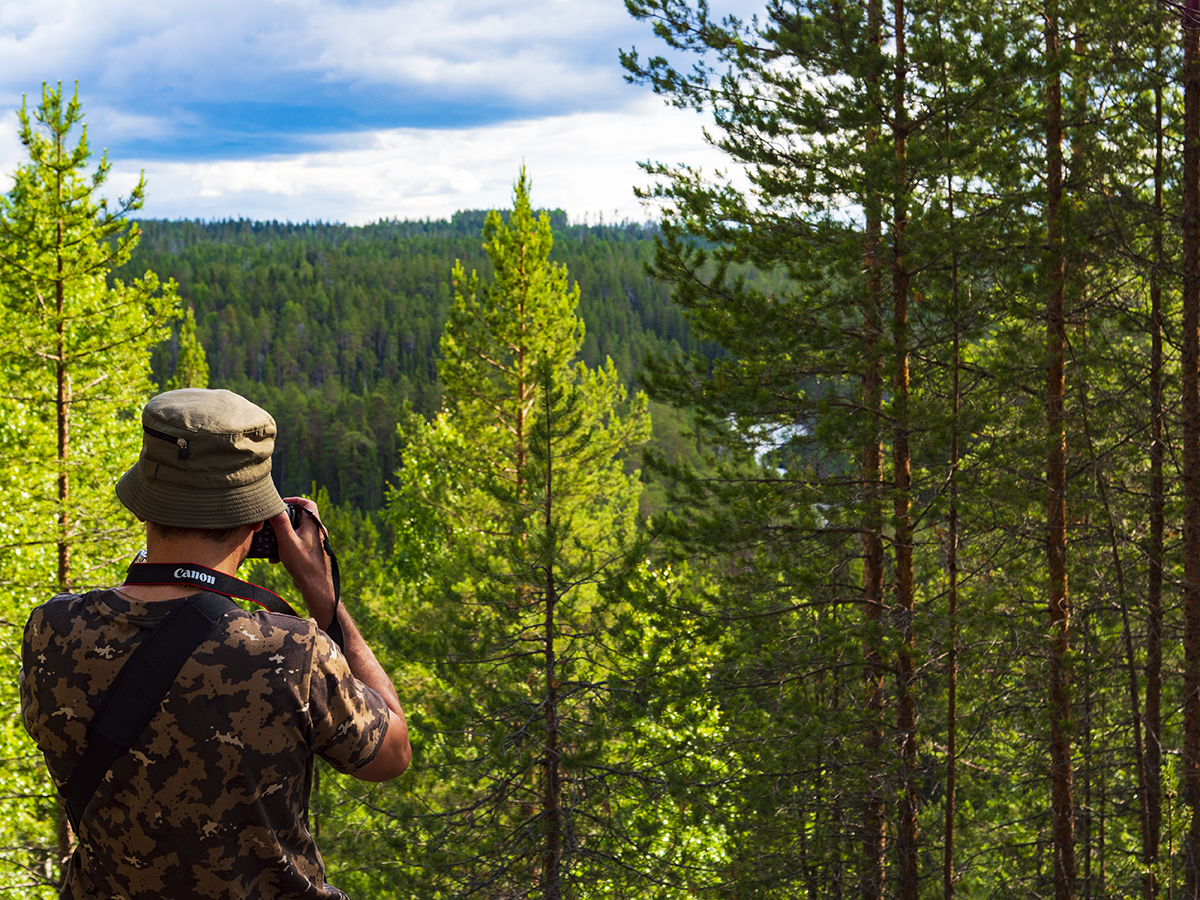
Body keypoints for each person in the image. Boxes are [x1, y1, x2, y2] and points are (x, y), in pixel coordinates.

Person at [20, 388, 410, 899]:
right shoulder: (291, 653)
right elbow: (392, 755)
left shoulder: (54, 629)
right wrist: (322, 594)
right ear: (257, 520)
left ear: (145, 505)